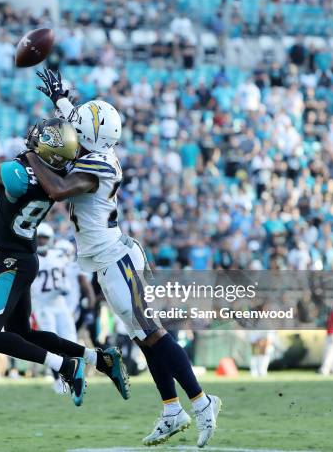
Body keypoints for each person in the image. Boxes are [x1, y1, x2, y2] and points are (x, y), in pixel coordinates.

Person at [29, 69, 222, 447]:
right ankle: (171, 411)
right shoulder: (100, 148)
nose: (71, 134)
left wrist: (35, 154)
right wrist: (60, 97)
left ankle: (202, 403)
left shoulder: (96, 166)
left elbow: (56, 189)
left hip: (115, 259)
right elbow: (77, 124)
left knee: (153, 334)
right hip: (108, 259)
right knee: (143, 337)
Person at [0, 109, 129, 406]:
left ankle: (67, 366)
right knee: (21, 331)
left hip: (12, 262)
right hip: (24, 257)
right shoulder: (59, 173)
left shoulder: (18, 173)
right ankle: (98, 358)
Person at [31, 223, 79, 394]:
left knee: (71, 341)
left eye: (44, 237)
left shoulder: (59, 254)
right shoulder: (31, 258)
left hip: (60, 303)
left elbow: (73, 265)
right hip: (43, 306)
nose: (41, 240)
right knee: (52, 345)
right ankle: (58, 380)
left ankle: (72, 378)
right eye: (39, 237)